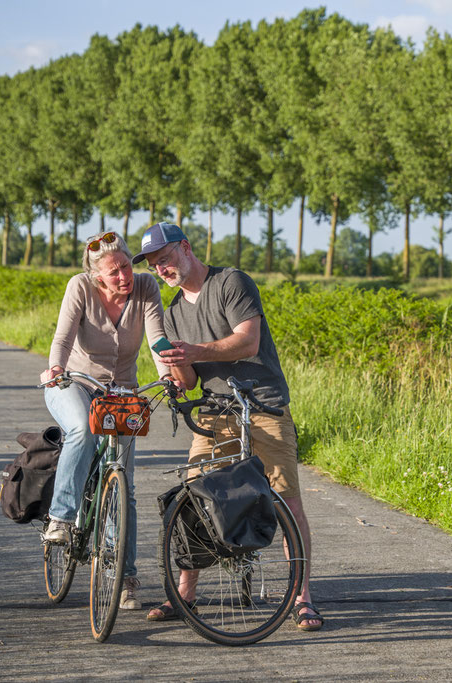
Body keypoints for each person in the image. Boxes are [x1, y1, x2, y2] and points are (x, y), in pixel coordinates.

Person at [132, 222, 323, 632]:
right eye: (154, 265)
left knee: (285, 500)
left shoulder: (230, 282)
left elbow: (247, 342)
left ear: (185, 248)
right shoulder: (173, 314)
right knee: (195, 498)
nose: (162, 269)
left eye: (165, 259)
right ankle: (184, 594)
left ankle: (303, 598)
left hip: (264, 405)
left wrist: (194, 350)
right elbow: (190, 381)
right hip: (216, 411)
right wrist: (174, 370)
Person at [40, 231, 168, 611]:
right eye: (114, 272)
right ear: (97, 276)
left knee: (123, 484)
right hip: (74, 383)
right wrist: (56, 368)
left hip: (121, 393)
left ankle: (125, 577)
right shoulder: (79, 286)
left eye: (126, 266)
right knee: (80, 428)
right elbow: (62, 338)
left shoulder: (146, 288)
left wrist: (168, 374)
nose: (124, 276)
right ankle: (61, 519)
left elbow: (157, 340)